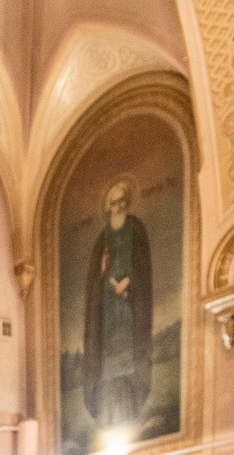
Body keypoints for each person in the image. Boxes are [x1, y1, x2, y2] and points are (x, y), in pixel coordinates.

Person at [82, 177, 153, 431]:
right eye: (114, 204)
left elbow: (143, 266)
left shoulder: (136, 229)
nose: (119, 207)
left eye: (123, 202)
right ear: (108, 207)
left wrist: (130, 282)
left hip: (129, 309)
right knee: (108, 364)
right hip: (108, 313)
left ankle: (130, 413)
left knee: (128, 359)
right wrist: (103, 276)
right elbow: (94, 280)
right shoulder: (102, 239)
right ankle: (109, 416)